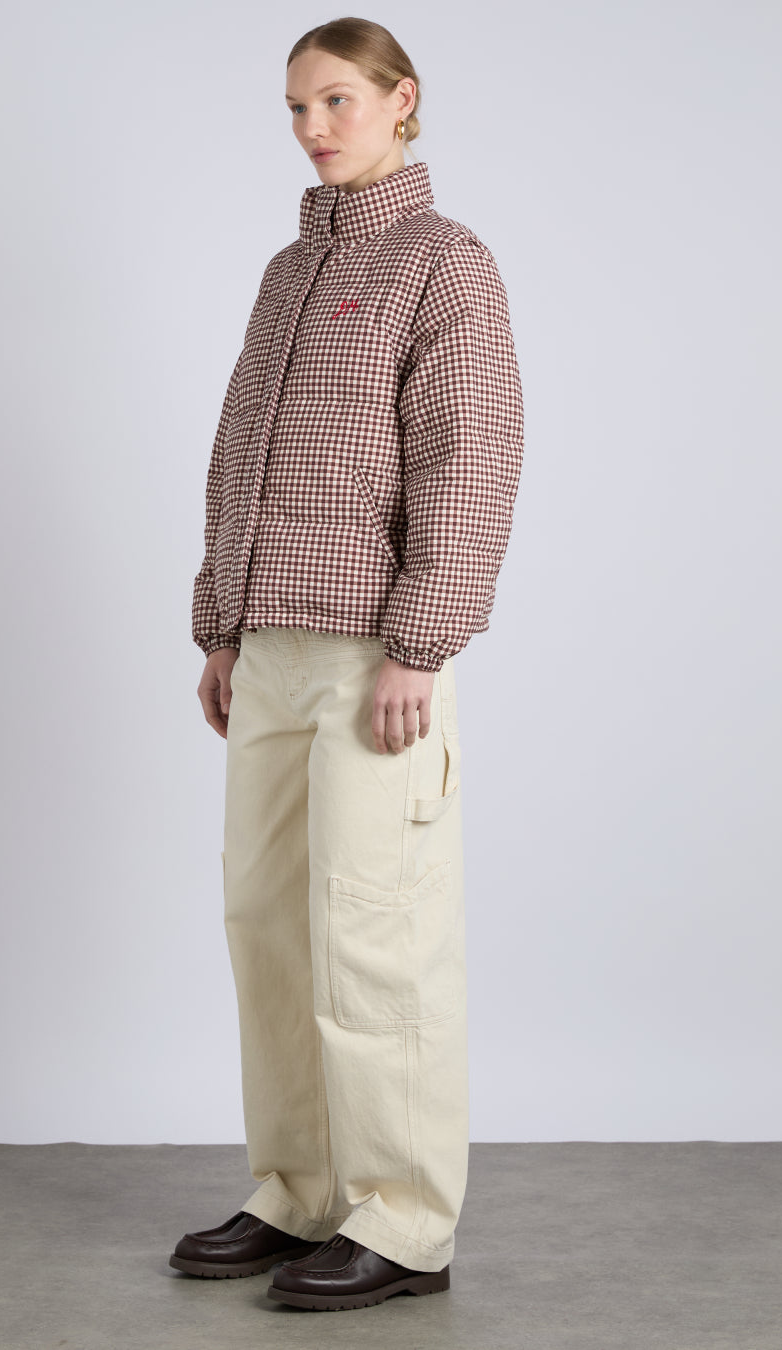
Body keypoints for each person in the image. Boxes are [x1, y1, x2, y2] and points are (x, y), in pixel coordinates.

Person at [169, 17, 524, 1313]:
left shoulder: (445, 261)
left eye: (336, 101)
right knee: (268, 924)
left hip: (379, 658)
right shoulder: (287, 272)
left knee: (377, 933)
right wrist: (222, 625)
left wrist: (422, 643)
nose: (313, 127)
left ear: (400, 99)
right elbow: (237, 452)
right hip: (269, 651)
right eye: (295, 108)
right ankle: (299, 1188)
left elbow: (469, 456)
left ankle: (404, 1219)